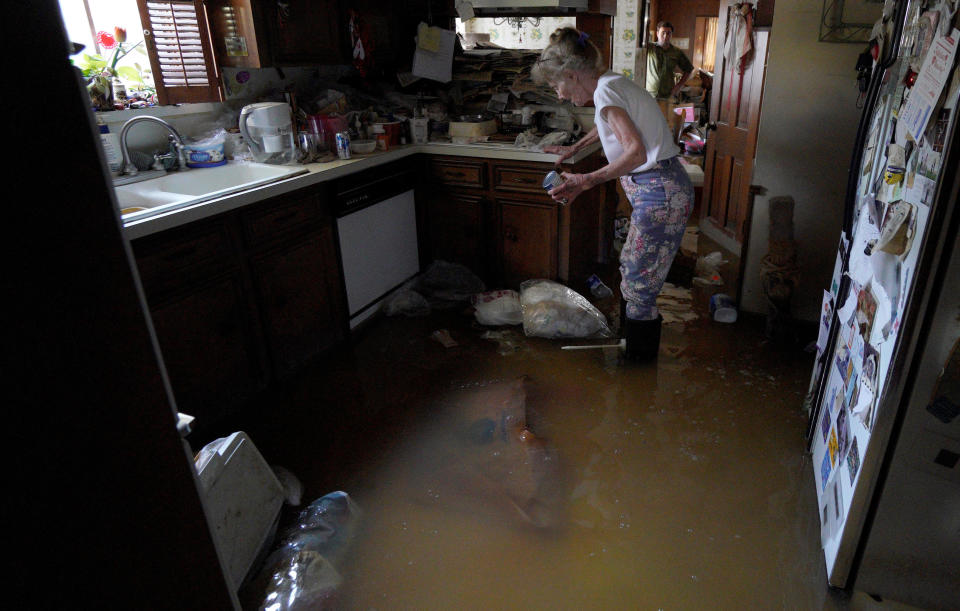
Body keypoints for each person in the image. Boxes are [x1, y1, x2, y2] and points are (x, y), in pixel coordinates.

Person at [534, 27, 694, 361]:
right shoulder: (612, 83)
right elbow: (606, 124)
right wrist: (575, 146)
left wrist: (586, 180)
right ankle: (630, 350)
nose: (559, 95)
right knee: (635, 272)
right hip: (664, 188)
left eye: (556, 86)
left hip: (660, 193)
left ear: (572, 75)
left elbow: (634, 152)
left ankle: (637, 370)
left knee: (638, 283)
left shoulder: (606, 92)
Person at [645, 21, 694, 102]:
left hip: (668, 95)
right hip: (650, 94)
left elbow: (689, 69)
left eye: (668, 33)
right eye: (663, 33)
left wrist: (678, 86)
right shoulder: (649, 48)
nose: (665, 36)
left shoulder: (676, 52)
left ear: (671, 35)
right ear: (657, 33)